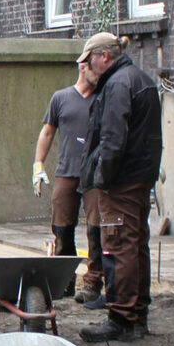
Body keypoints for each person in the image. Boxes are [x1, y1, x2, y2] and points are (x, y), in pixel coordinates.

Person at [77, 32, 163, 342]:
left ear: (103, 57)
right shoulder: (141, 79)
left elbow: (113, 138)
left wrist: (103, 179)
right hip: (140, 177)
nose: (86, 68)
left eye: (88, 61)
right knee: (137, 244)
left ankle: (122, 318)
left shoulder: (116, 85)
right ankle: (137, 314)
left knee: (120, 244)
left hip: (122, 180)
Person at [33, 59, 104, 305]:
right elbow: (48, 131)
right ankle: (64, 281)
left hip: (95, 174)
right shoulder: (61, 98)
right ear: (83, 66)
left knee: (96, 230)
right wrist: (38, 164)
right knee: (62, 228)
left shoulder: (103, 98)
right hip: (67, 172)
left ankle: (93, 284)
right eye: (95, 68)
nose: (100, 73)